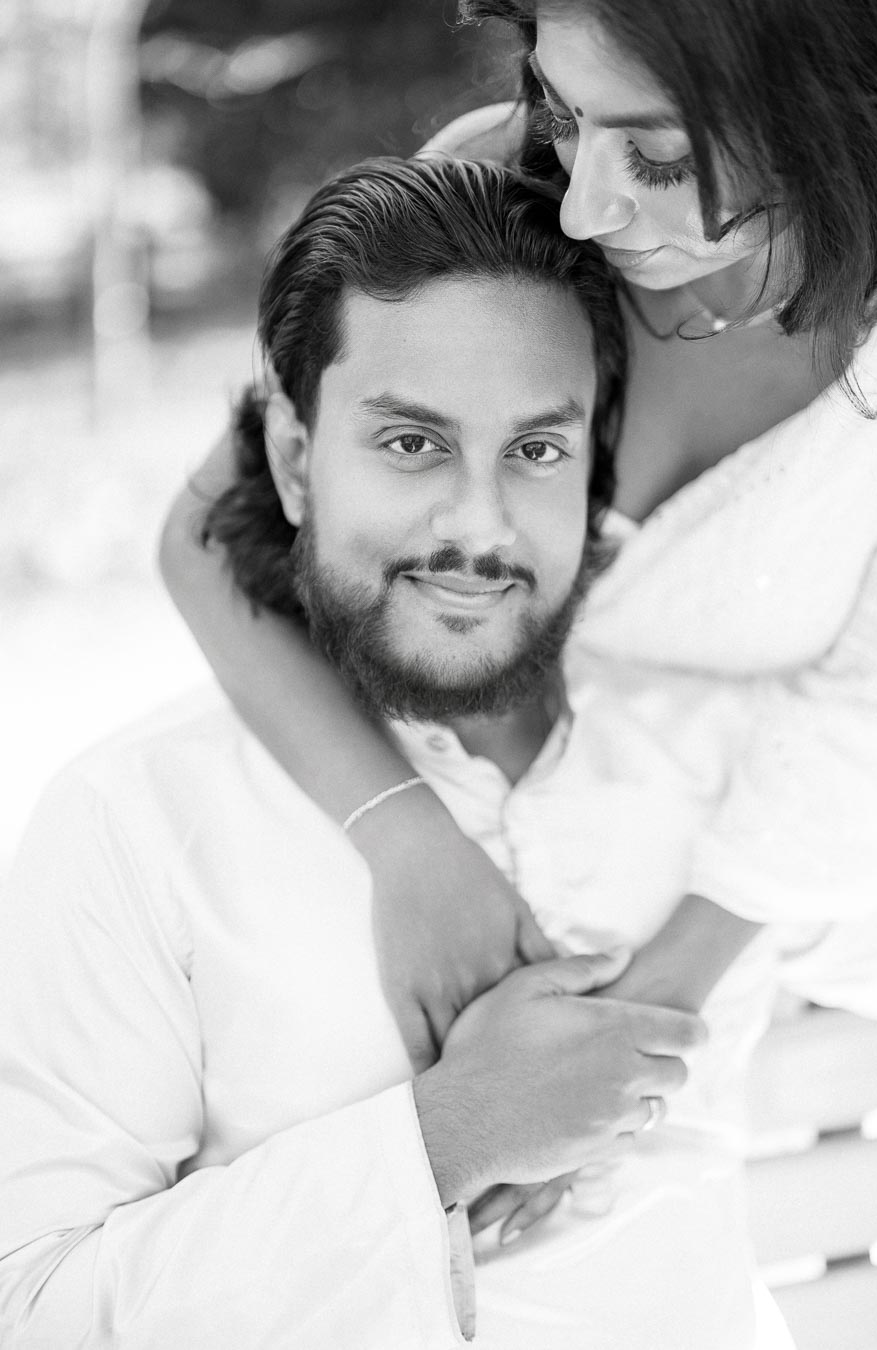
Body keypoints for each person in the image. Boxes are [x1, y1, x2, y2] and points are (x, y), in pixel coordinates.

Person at [0, 154, 785, 1350]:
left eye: (535, 451)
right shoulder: (137, 820)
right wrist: (443, 1137)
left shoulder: (726, 764)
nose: (479, 525)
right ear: (296, 461)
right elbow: (35, 1308)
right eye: (413, 444)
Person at [160, 0, 877, 1075]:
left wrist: (624, 1034)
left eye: (653, 155)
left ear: (835, 113)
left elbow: (872, 720)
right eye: (564, 111)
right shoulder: (501, 190)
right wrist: (409, 845)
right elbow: (208, 537)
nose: (589, 209)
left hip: (765, 930)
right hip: (443, 848)